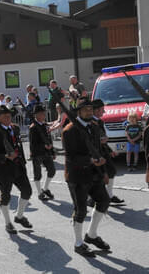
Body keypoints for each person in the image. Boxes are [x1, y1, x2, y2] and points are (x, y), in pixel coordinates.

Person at [62, 98, 110, 257]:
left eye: (91, 109)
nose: (90, 112)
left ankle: (92, 235)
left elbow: (98, 150)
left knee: (104, 200)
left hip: (95, 174)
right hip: (77, 176)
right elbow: (70, 157)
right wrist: (90, 160)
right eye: (86, 110)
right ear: (79, 112)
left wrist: (103, 171)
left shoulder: (94, 128)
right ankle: (78, 243)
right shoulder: (69, 130)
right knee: (81, 210)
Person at [0, 106, 33, 234]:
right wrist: (6, 156)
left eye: (9, 115)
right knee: (6, 197)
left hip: (18, 166)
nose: (8, 118)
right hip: (3, 169)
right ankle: (8, 223)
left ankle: (19, 216)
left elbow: (19, 146)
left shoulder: (15, 128)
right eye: (4, 116)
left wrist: (22, 162)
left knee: (27, 191)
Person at [91, 99, 124, 204]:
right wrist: (100, 141)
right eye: (102, 109)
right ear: (96, 110)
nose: (104, 112)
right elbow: (89, 139)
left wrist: (110, 150)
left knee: (111, 171)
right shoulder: (90, 123)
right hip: (95, 152)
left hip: (103, 151)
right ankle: (93, 198)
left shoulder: (99, 121)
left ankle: (109, 196)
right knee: (98, 176)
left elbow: (102, 138)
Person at [29, 104, 56, 201]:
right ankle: (40, 193)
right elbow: (33, 144)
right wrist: (43, 146)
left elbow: (49, 139)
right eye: (41, 113)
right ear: (36, 115)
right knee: (38, 174)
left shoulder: (44, 125)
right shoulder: (33, 127)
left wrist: (52, 151)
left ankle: (45, 189)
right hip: (37, 153)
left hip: (46, 152)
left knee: (52, 171)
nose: (43, 115)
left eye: (44, 113)